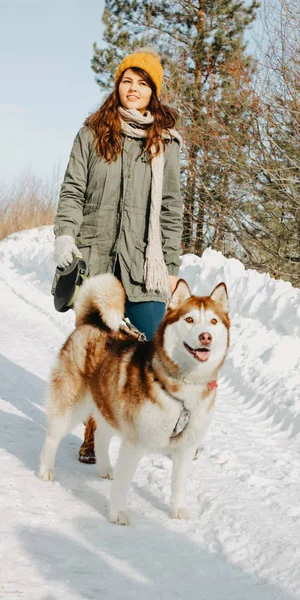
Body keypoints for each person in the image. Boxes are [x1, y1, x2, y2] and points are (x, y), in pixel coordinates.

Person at [53, 47, 183, 463]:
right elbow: (73, 189)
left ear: (153, 92)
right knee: (98, 354)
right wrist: (65, 236)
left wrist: (173, 268)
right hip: (95, 262)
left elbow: (170, 209)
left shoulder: (166, 144)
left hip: (145, 266)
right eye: (127, 80)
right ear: (117, 86)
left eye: (143, 83)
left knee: (152, 345)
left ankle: (156, 422)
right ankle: (94, 435)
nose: (134, 88)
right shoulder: (92, 133)